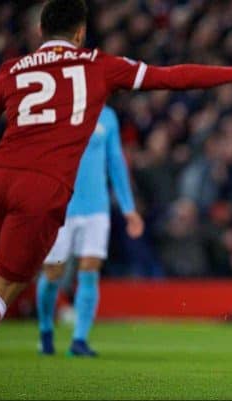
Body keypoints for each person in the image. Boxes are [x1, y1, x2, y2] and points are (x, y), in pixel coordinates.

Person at [0, 0, 232, 329]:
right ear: (80, 33)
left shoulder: (12, 68)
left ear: (41, 30)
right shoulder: (99, 65)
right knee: (4, 288)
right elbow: (171, 77)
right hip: (41, 188)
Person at [37, 105, 143, 356]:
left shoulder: (107, 115)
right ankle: (45, 328)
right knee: (53, 271)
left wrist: (129, 208)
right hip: (61, 206)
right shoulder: (59, 107)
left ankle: (79, 340)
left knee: (90, 269)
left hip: (97, 208)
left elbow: (116, 162)